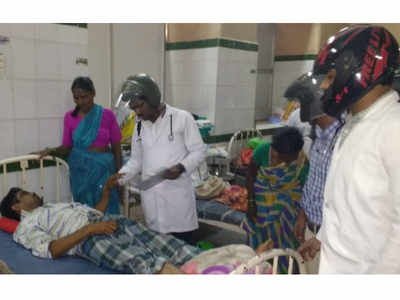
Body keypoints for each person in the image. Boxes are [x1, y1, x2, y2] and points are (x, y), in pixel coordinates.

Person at [0, 175, 273, 274]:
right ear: (16, 205)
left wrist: (106, 193)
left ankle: (240, 260)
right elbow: (52, 249)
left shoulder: (53, 206)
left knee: (167, 244)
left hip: (106, 222)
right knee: (141, 259)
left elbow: (91, 213)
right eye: (24, 192)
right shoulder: (26, 227)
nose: (32, 192)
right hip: (88, 239)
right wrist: (88, 231)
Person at [298, 25, 400, 273]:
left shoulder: (393, 129)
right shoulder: (354, 123)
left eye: (330, 77)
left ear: (360, 72)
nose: (323, 87)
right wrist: (323, 238)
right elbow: (346, 203)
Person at [118, 73, 207, 244]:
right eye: (134, 108)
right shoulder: (138, 125)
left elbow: (199, 151)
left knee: (184, 249)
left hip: (177, 197)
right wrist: (119, 177)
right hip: (152, 199)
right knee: (160, 250)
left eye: (140, 106)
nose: (137, 112)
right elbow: (136, 160)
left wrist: (180, 167)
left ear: (152, 98)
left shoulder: (182, 118)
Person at [33, 77, 122, 215]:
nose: (80, 101)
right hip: (81, 173)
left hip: (103, 172)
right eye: (76, 98)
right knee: (84, 212)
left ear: (93, 93)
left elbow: (117, 148)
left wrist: (119, 175)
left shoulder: (107, 115)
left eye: (84, 97)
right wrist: (50, 150)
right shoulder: (69, 117)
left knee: (106, 209)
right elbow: (67, 147)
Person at [284, 72, 344, 274]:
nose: (299, 106)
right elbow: (313, 180)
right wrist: (302, 216)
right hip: (312, 230)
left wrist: (322, 238)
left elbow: (348, 197)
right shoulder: (319, 133)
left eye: (302, 100)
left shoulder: (346, 137)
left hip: (333, 238)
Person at [243, 126, 308, 273]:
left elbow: (306, 191)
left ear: (296, 153)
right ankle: (258, 272)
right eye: (278, 155)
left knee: (287, 245)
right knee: (259, 241)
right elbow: (251, 176)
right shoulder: (263, 150)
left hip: (288, 209)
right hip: (261, 205)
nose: (280, 161)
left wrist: (301, 218)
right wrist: (251, 203)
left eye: (287, 158)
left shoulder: (302, 162)